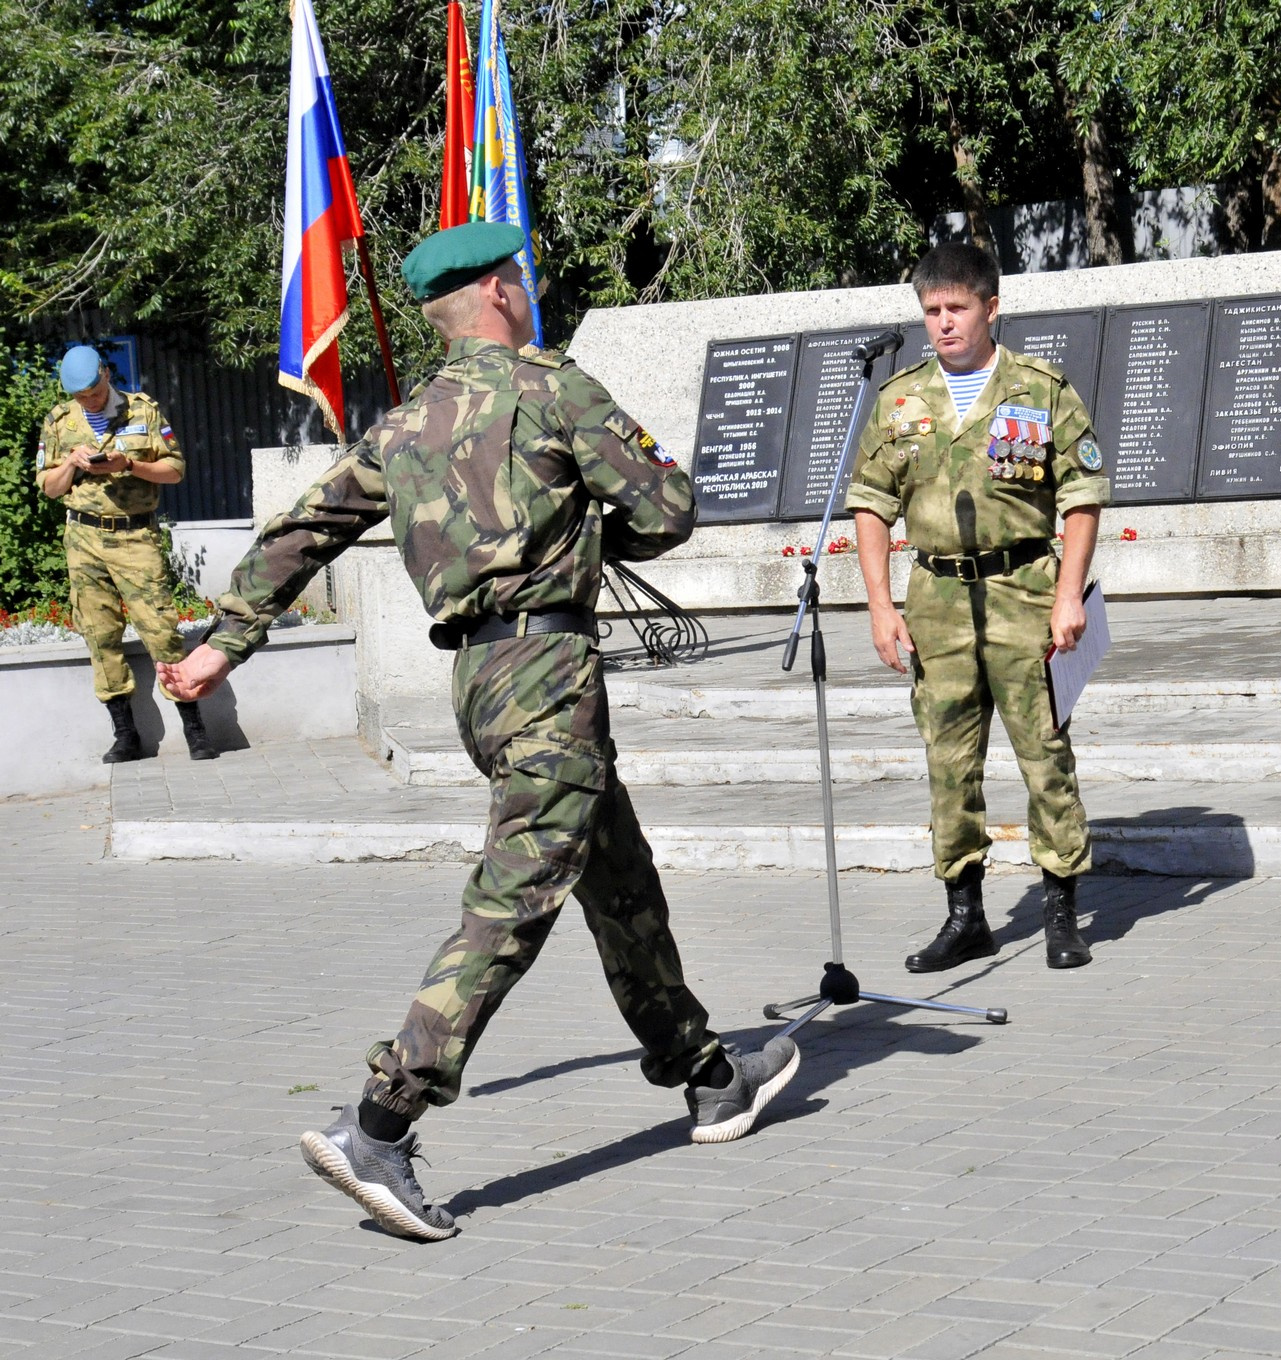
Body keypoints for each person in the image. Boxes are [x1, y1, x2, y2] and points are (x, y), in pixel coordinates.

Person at [158, 221, 798, 1242]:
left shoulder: (406, 423)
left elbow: (303, 531)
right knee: (518, 896)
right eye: (522, 277)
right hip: (549, 668)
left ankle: (707, 1073)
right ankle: (381, 1119)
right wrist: (593, 523)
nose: (527, 288)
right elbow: (668, 508)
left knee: (616, 874)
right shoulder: (552, 387)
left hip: (478, 679)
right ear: (500, 291)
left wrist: (219, 646)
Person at [845, 242, 1109, 973]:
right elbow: (870, 504)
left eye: (957, 308)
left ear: (992, 307)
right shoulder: (901, 399)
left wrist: (1067, 597)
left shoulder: (1039, 389)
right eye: (931, 311)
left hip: (1025, 590)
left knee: (1043, 754)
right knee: (948, 763)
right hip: (937, 601)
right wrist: (879, 604)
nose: (943, 324)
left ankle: (1062, 907)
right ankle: (966, 915)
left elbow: (1082, 498)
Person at [37, 345, 216, 763]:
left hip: (135, 538)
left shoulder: (143, 411)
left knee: (161, 630)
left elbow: (174, 470)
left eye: (94, 392)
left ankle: (195, 729)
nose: (89, 401)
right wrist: (72, 465)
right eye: (80, 397)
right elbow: (49, 487)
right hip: (83, 540)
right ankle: (125, 735)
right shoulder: (59, 421)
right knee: (99, 635)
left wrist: (127, 464)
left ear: (105, 374)